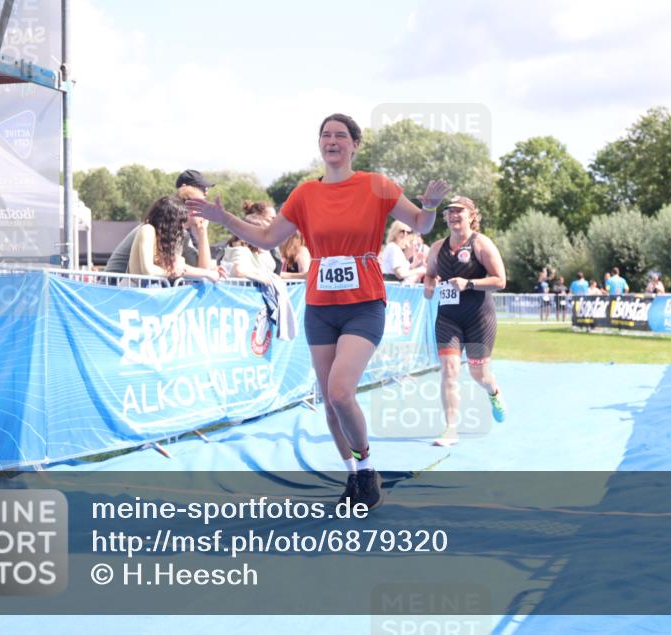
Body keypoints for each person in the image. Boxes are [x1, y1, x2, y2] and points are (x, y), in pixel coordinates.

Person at [187, 113, 451, 510]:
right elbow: (266, 236)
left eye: (340, 135)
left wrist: (430, 206)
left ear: (354, 144)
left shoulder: (375, 185)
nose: (332, 141)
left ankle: (367, 467)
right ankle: (356, 476)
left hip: (364, 305)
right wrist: (224, 218)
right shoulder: (305, 194)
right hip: (321, 307)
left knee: (342, 391)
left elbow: (420, 223)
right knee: (330, 401)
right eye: (325, 135)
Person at [423, 195, 506, 447]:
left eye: (459, 211)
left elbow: (500, 281)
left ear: (472, 216)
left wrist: (469, 283)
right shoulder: (438, 247)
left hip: (479, 318)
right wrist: (428, 287)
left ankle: (493, 392)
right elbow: (429, 275)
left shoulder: (481, 244)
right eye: (449, 212)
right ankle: (450, 429)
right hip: (448, 318)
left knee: (479, 373)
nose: (453, 215)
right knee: (449, 370)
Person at [105, 170, 215, 276]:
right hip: (114, 287)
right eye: (200, 202)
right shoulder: (151, 229)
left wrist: (202, 230)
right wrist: (178, 272)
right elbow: (151, 271)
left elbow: (203, 271)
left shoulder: (182, 235)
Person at [127, 196, 218, 282]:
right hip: (132, 292)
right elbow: (148, 270)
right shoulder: (148, 230)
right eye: (180, 222)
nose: (181, 227)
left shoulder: (167, 239)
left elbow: (181, 268)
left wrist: (210, 271)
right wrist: (173, 273)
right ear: (170, 221)